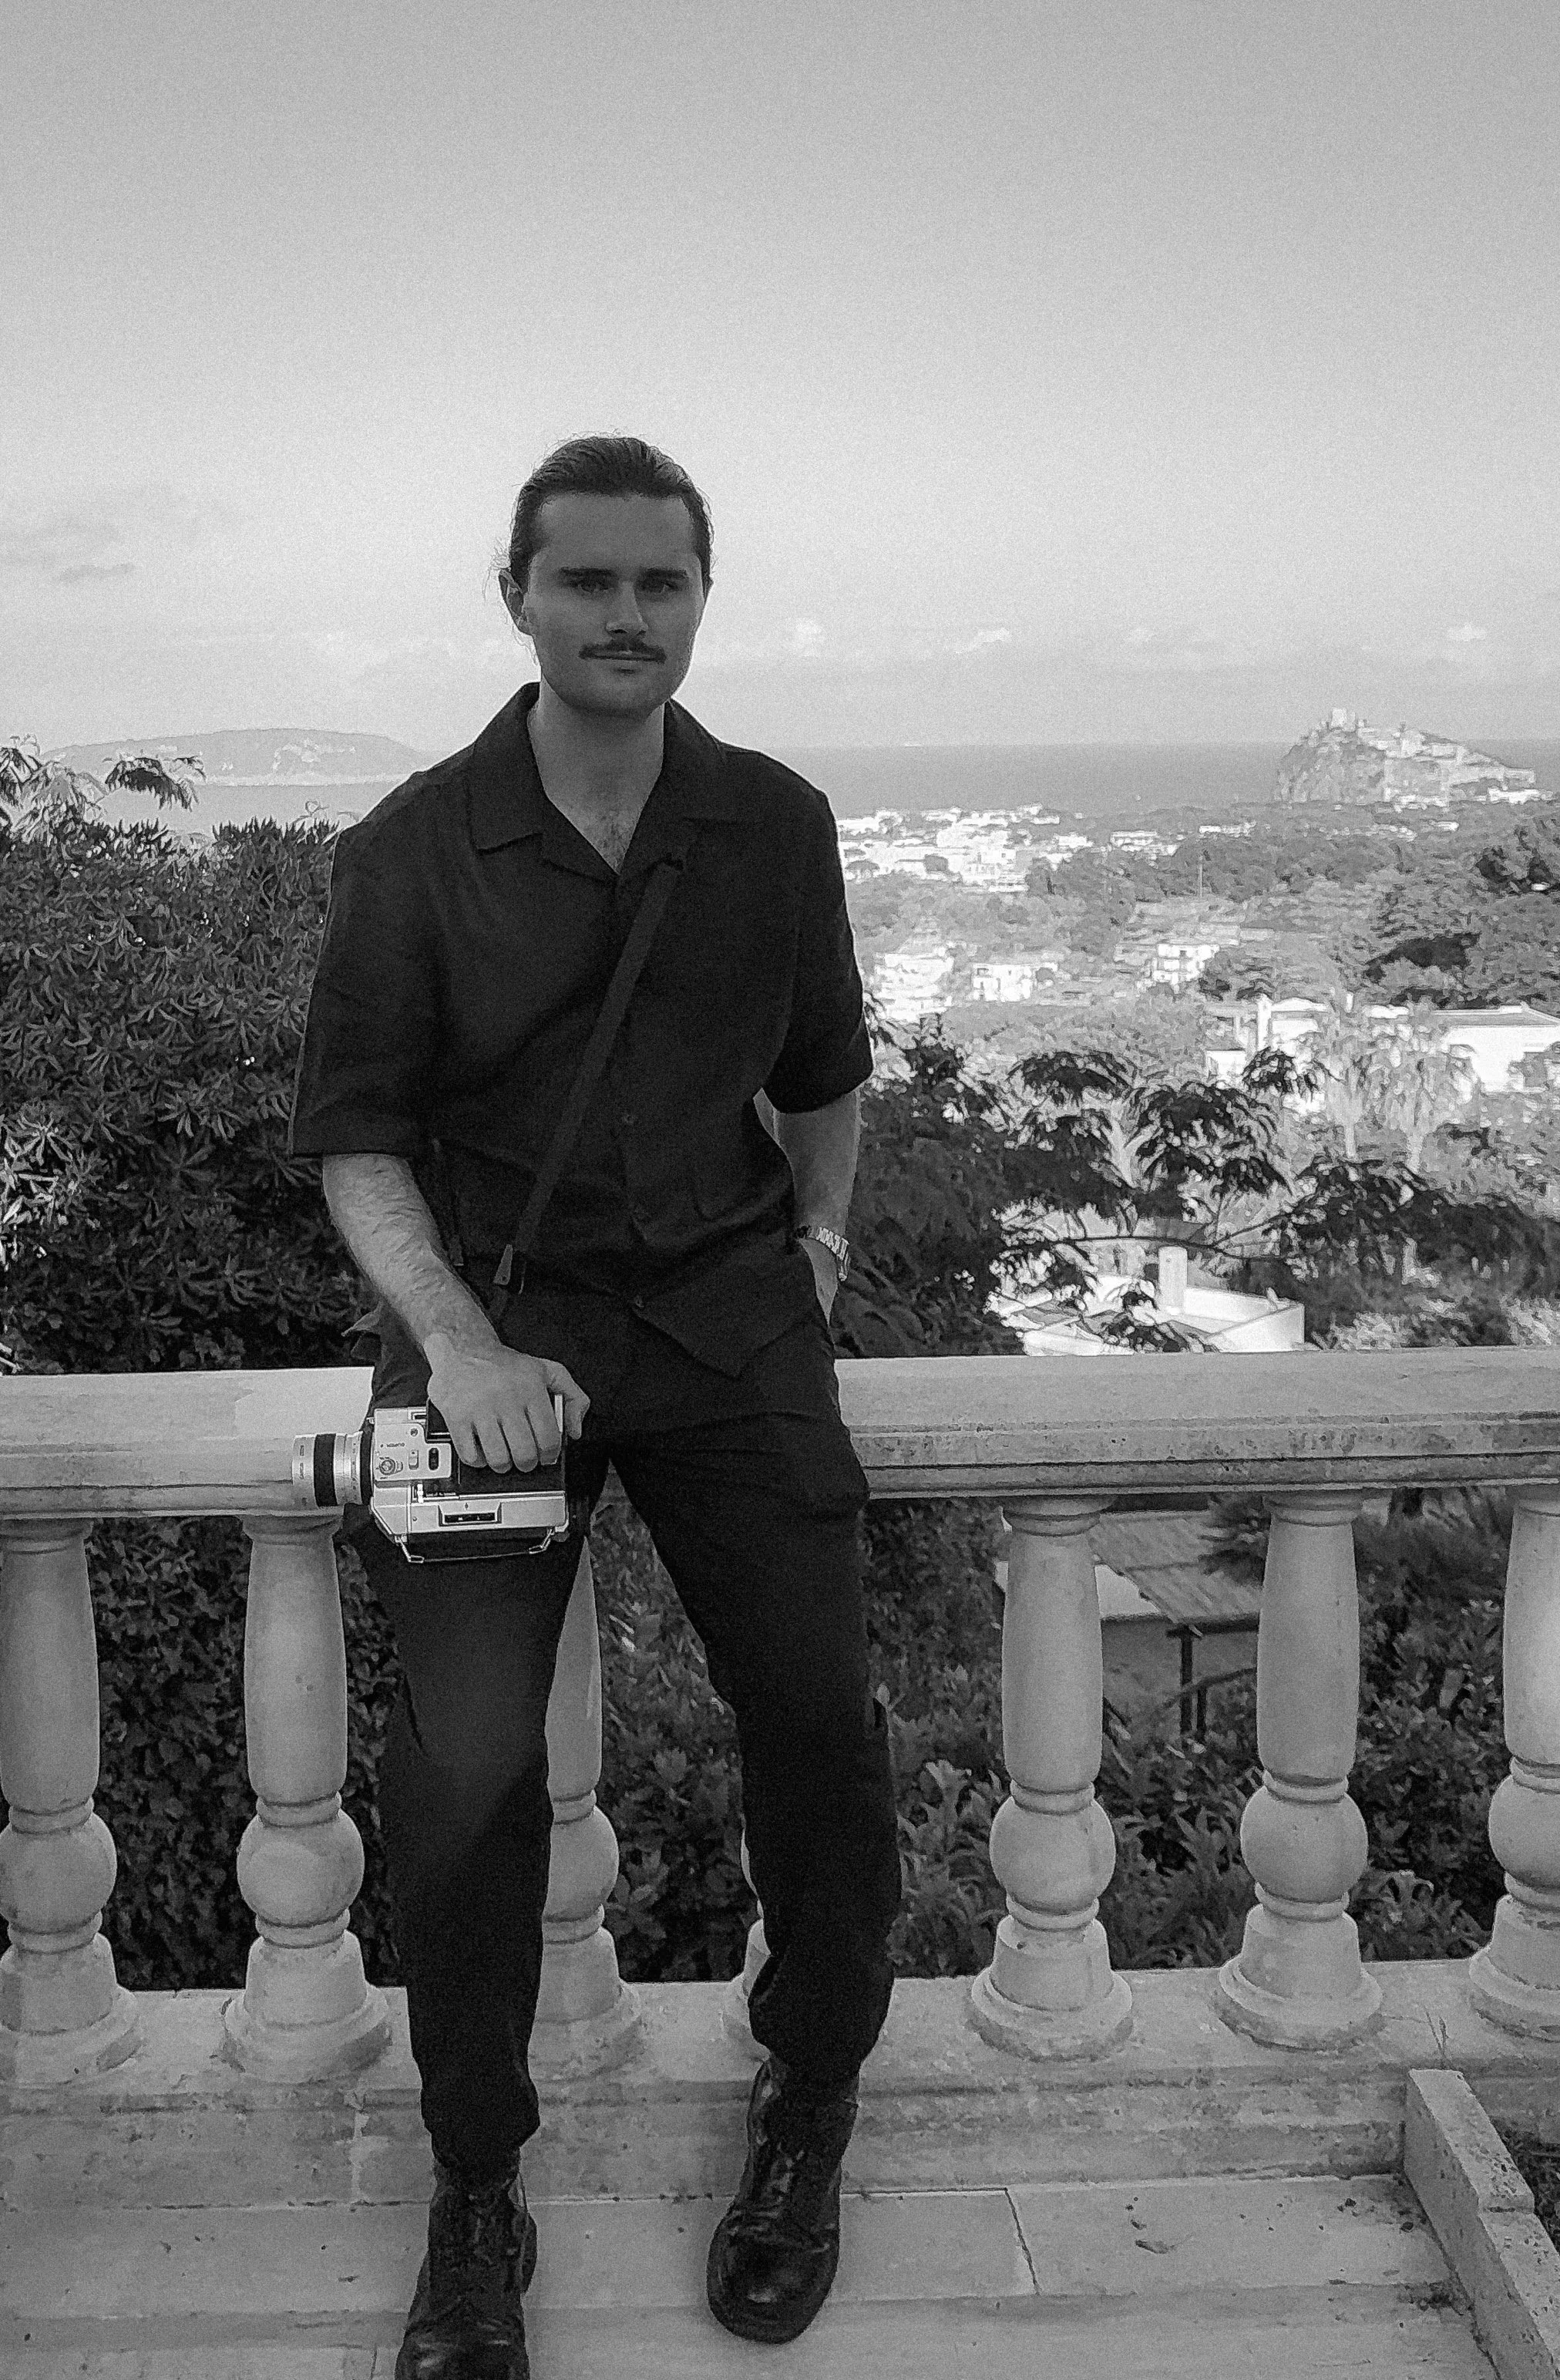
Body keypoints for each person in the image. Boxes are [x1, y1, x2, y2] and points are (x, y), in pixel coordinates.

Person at [287, 433, 903, 2380]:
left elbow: (824, 1070)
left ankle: (809, 2099)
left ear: (701, 599)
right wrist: (458, 1345)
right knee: (465, 1780)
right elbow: (359, 1140)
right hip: (494, 1339)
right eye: (588, 581)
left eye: (660, 582)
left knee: (817, 1718)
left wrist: (817, 1238)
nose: (625, 615)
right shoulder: (413, 849)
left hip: (724, 1324)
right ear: (520, 597)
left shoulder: (771, 824)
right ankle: (477, 2183)